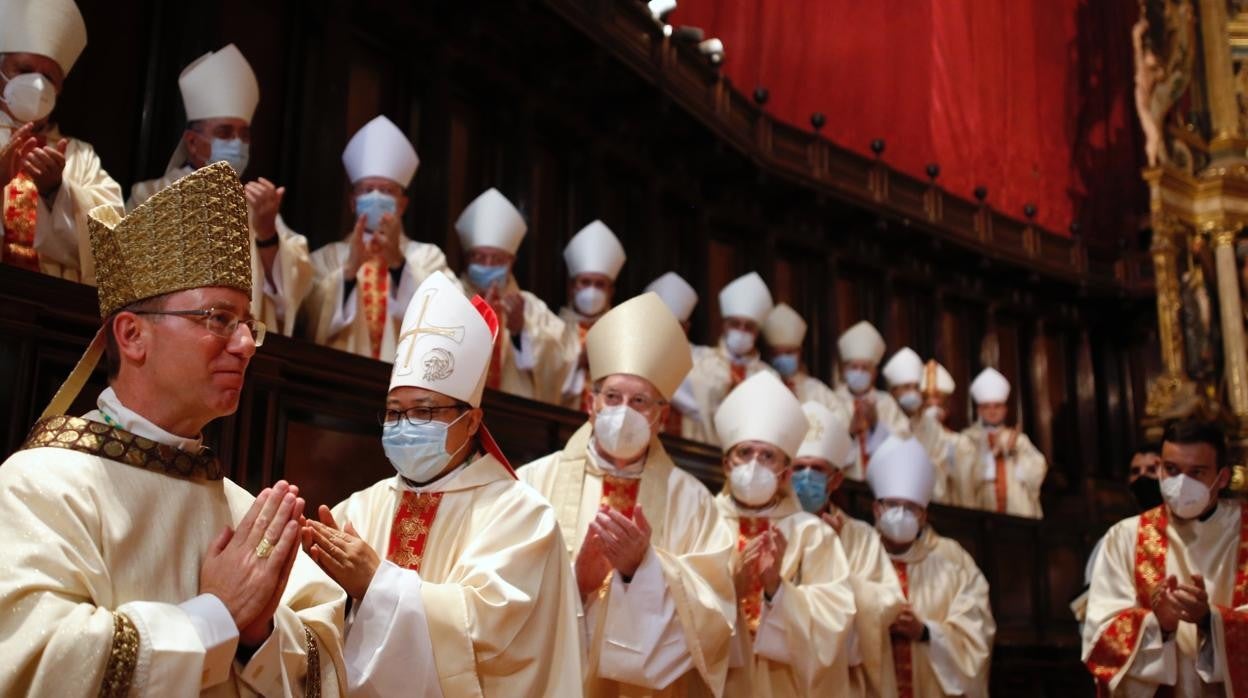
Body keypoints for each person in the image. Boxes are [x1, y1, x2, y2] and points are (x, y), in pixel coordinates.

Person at [0, 163, 344, 695]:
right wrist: (215, 617)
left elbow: (323, 647)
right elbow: (29, 660)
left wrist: (259, 635)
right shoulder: (39, 487)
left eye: (248, 325)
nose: (246, 345)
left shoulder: (238, 507)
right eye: (218, 319)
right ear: (133, 335)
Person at [300, 271, 581, 696]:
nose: (405, 425)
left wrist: (376, 584)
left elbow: (487, 634)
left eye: (425, 411)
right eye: (394, 412)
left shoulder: (523, 516)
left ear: (471, 422)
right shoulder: (361, 507)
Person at [518, 292, 735, 697]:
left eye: (639, 402)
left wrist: (643, 570)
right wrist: (574, 585)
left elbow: (714, 612)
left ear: (662, 418)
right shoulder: (532, 482)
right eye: (612, 398)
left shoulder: (692, 501)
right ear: (591, 404)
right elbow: (501, 588)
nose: (623, 411)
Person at [127, 44, 312, 336]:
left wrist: (266, 235)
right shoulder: (151, 196)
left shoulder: (256, 205)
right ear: (192, 142)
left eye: (244, 134)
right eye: (225, 133)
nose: (237, 143)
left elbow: (291, 289)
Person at [713, 372, 857, 696]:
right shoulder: (701, 518)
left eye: (768, 456)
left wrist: (776, 591)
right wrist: (730, 588)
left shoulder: (813, 535)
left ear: (784, 474)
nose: (754, 465)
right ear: (726, 464)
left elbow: (834, 621)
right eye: (745, 452)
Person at [1083, 420, 1247, 696]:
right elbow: (1099, 640)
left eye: (1197, 472)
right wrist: (1159, 624)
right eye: (1171, 470)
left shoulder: (1243, 532)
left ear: (1221, 478)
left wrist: (1209, 620)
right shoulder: (1125, 537)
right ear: (1159, 469)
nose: (1182, 483)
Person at [306, 115, 459, 359]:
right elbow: (307, 319)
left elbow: (449, 319)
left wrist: (399, 264)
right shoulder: (328, 257)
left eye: (386, 191)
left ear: (402, 204)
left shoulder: (429, 258)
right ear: (353, 202)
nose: (376, 196)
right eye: (367, 190)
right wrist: (349, 271)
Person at [0, 0, 124, 282]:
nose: (37, 84)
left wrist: (57, 192)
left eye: (48, 76)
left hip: (53, 309)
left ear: (59, 89)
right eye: (24, 69)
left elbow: (113, 243)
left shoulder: (81, 157)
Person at [790, 400, 906, 697]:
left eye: (816, 469)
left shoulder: (861, 536)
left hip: (843, 677)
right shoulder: (772, 527)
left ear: (836, 479)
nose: (806, 477)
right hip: (785, 671)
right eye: (798, 468)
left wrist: (834, 556)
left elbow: (887, 603)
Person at [868, 436, 996, 697]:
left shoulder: (951, 560)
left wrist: (926, 632)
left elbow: (977, 629)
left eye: (911, 507)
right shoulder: (857, 554)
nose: (901, 513)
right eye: (892, 504)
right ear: (876, 509)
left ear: (924, 516)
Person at [455, 187, 573, 403]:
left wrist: (521, 332)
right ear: (467, 259)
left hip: (513, 416)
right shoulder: (452, 296)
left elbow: (558, 366)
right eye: (480, 257)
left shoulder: (533, 308)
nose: (488, 265)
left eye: (497, 259)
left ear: (512, 262)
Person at [684, 271, 778, 445]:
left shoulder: (770, 377)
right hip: (702, 451)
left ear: (757, 332)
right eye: (735, 324)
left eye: (749, 327)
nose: (741, 331)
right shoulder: (698, 360)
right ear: (724, 325)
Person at [557, 219, 627, 411]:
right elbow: (542, 376)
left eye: (599, 284)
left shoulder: (623, 334)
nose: (592, 290)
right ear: (572, 287)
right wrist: (578, 361)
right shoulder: (554, 328)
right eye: (585, 282)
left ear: (611, 291)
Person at [960, 367, 1047, 518]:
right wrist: (991, 456)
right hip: (981, 512)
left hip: (1018, 513)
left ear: (1005, 409)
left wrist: (1014, 452)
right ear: (979, 410)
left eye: (997, 406)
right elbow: (963, 477)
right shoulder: (967, 439)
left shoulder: (1019, 439)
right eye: (986, 407)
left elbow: (1038, 470)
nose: (992, 411)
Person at [833, 321, 909, 481]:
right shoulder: (833, 401)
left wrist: (876, 425)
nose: (859, 372)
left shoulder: (887, 403)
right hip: (845, 485)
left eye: (865, 368)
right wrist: (850, 433)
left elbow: (903, 443)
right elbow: (825, 449)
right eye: (854, 367)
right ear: (844, 370)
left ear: (874, 372)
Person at [645, 270, 707, 437]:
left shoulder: (703, 360)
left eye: (673, 325)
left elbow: (702, 405)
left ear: (685, 329)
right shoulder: (634, 350)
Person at [763, 302, 839, 409]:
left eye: (789, 352)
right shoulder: (762, 386)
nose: (782, 358)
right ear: (768, 355)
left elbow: (839, 421)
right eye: (776, 353)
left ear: (800, 352)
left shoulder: (818, 391)